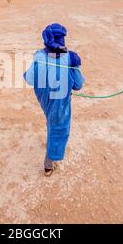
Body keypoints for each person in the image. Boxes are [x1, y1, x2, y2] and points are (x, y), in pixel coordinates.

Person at [24, 23, 85, 176]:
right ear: (62, 38)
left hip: (44, 101)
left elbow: (29, 79)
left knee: (51, 121)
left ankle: (50, 150)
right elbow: (78, 85)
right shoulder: (70, 57)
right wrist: (74, 65)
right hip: (60, 104)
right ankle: (48, 165)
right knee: (58, 130)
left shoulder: (39, 55)